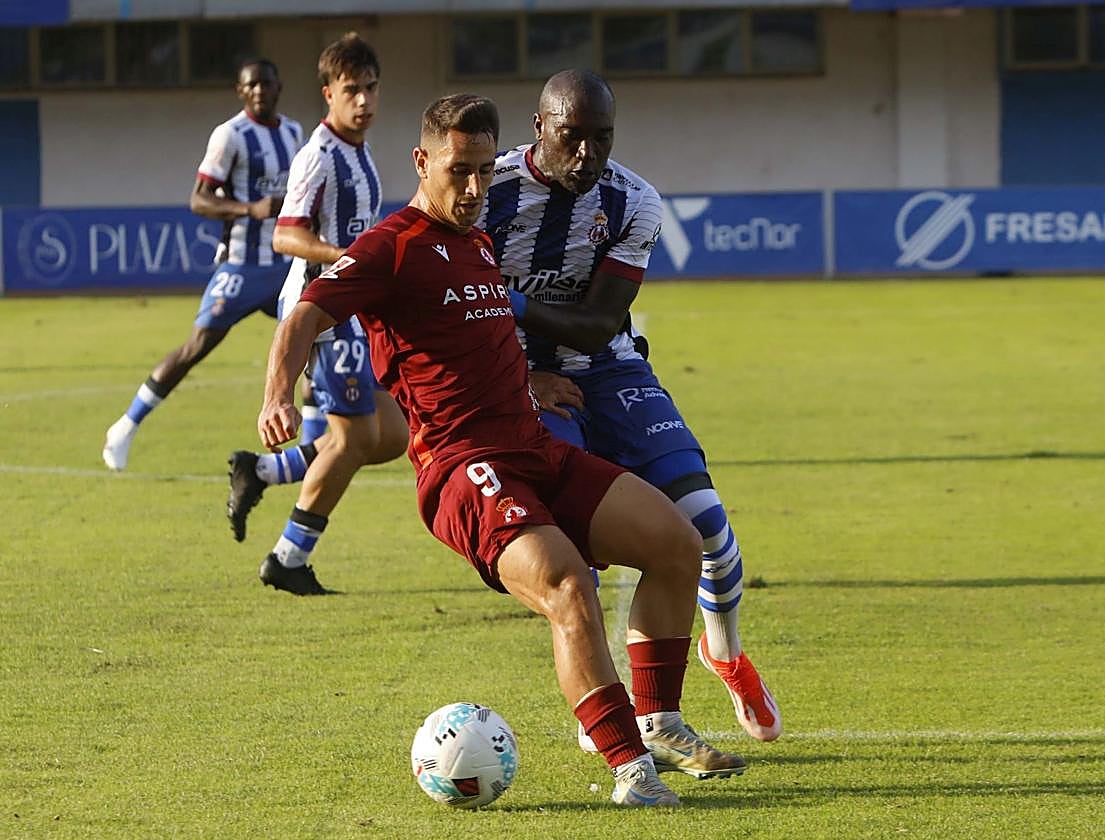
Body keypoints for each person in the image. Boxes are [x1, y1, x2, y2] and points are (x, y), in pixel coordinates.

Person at [258, 93, 745, 805]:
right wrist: (277, 394)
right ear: (423, 162)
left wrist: (533, 377)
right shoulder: (391, 246)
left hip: (531, 443)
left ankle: (659, 720)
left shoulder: (479, 242)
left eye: (487, 170)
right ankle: (629, 771)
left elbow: (478, 336)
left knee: (678, 542)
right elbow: (305, 314)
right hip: (464, 468)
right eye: (461, 170)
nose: (477, 188)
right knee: (569, 584)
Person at [477, 69, 782, 743]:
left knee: (706, 525)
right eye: (572, 137)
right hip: (517, 380)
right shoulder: (485, 190)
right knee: (569, 549)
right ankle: (612, 704)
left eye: (602, 138)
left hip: (612, 369)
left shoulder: (633, 200)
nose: (588, 154)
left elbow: (594, 323)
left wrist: (498, 297)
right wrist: (522, 375)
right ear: (540, 128)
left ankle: (725, 653)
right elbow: (444, 305)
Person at [231, 32, 408, 594]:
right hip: (322, 310)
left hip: (352, 308)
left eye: (372, 88)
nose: (364, 101)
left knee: (392, 434)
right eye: (352, 90)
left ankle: (259, 471)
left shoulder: (360, 150)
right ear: (329, 93)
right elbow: (287, 235)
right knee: (355, 439)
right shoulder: (319, 154)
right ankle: (288, 557)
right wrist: (350, 260)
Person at [102, 59, 302, 471]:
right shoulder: (230, 135)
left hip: (286, 266)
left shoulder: (294, 132)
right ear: (241, 91)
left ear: (279, 86)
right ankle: (125, 426)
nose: (260, 90)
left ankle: (316, 448)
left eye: (267, 83)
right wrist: (249, 207)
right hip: (243, 266)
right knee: (197, 346)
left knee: (315, 342)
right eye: (252, 85)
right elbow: (199, 199)